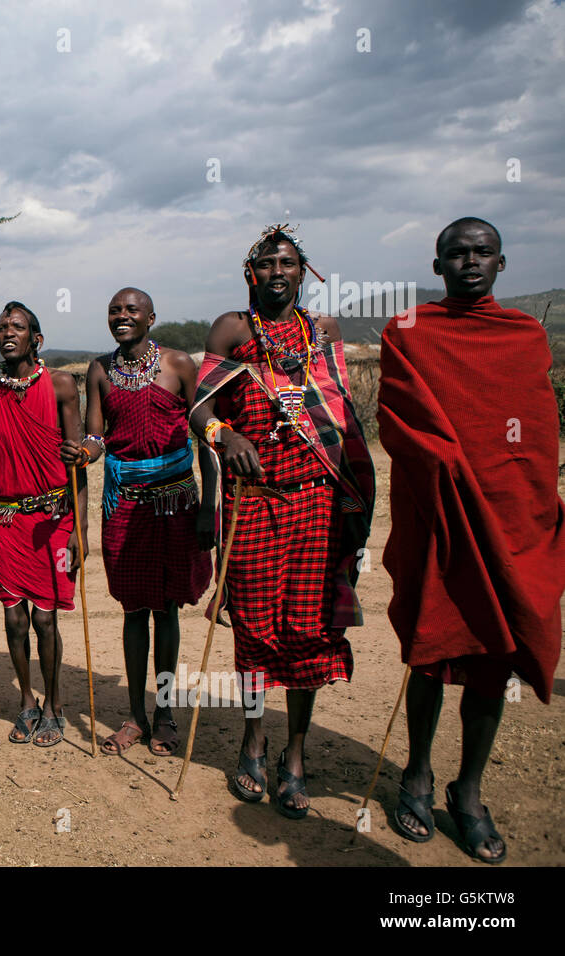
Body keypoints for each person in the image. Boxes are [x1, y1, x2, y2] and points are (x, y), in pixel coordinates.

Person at [379, 217, 565, 863]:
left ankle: (469, 790)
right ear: (437, 267)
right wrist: (452, 475)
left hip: (510, 520)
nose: (470, 263)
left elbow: (536, 434)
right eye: (456, 254)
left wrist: (530, 508)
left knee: (495, 648)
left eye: (482, 253)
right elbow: (401, 422)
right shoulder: (410, 333)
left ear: (501, 264)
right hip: (440, 519)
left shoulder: (526, 334)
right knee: (431, 650)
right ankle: (418, 773)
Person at [189, 225, 375, 818]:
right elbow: (199, 410)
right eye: (266, 262)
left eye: (287, 262)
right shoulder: (231, 329)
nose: (277, 270)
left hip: (315, 501)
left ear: (304, 272)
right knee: (254, 624)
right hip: (254, 500)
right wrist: (227, 434)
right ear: (251, 274)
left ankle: (294, 754)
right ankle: (253, 738)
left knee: (307, 626)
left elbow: (340, 412)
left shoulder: (325, 332)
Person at [61, 288, 213, 757]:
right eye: (114, 310)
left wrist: (210, 508)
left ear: (151, 317)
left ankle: (164, 713)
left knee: (166, 610)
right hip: (124, 504)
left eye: (131, 310)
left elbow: (204, 436)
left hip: (175, 504)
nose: (122, 316)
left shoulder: (180, 364)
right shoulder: (100, 370)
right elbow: (95, 433)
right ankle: (134, 716)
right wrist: (85, 451)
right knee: (132, 610)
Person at [0, 302, 85, 747]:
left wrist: (81, 527)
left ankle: (55, 704)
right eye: (2, 326)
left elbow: (77, 462)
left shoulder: (62, 385)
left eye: (18, 327)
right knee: (13, 618)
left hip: (52, 518)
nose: (8, 332)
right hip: (6, 515)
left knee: (45, 619)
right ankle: (26, 700)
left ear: (35, 339)